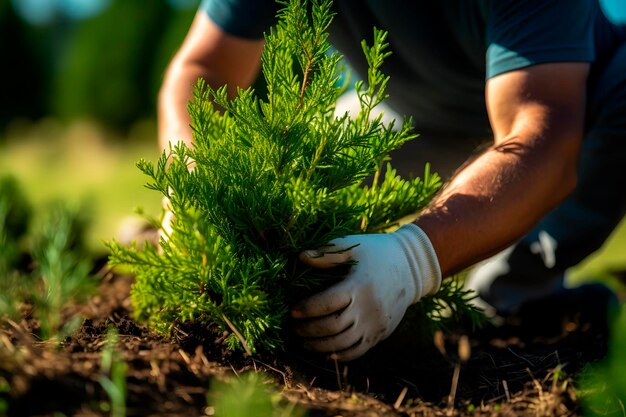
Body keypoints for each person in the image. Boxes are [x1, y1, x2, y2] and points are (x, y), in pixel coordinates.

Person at [158, 0, 626, 361]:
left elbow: (542, 137)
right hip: (411, 117)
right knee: (285, 185)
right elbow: (204, 68)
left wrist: (413, 258)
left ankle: (506, 299)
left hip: (582, 118)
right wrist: (188, 177)